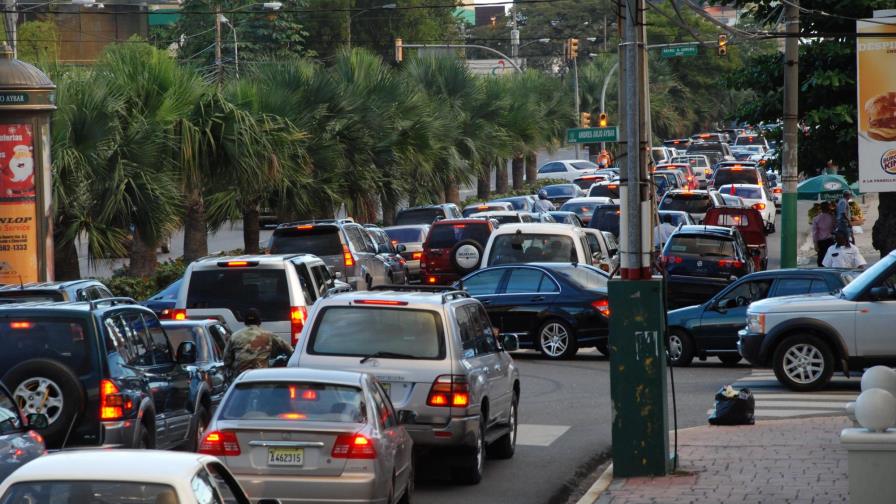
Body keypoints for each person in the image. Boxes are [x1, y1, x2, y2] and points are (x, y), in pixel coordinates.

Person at [223, 308, 293, 379]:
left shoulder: (234, 336)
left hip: (241, 379)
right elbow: (290, 350)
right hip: (260, 378)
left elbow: (226, 360)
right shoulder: (268, 335)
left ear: (245, 322)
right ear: (259, 321)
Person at [811, 202, 835, 267]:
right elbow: (833, 228)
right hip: (830, 240)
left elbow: (814, 233)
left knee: (821, 256)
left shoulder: (816, 218)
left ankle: (821, 269)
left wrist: (815, 244)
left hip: (820, 241)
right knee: (830, 256)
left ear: (821, 208)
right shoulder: (832, 217)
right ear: (828, 208)